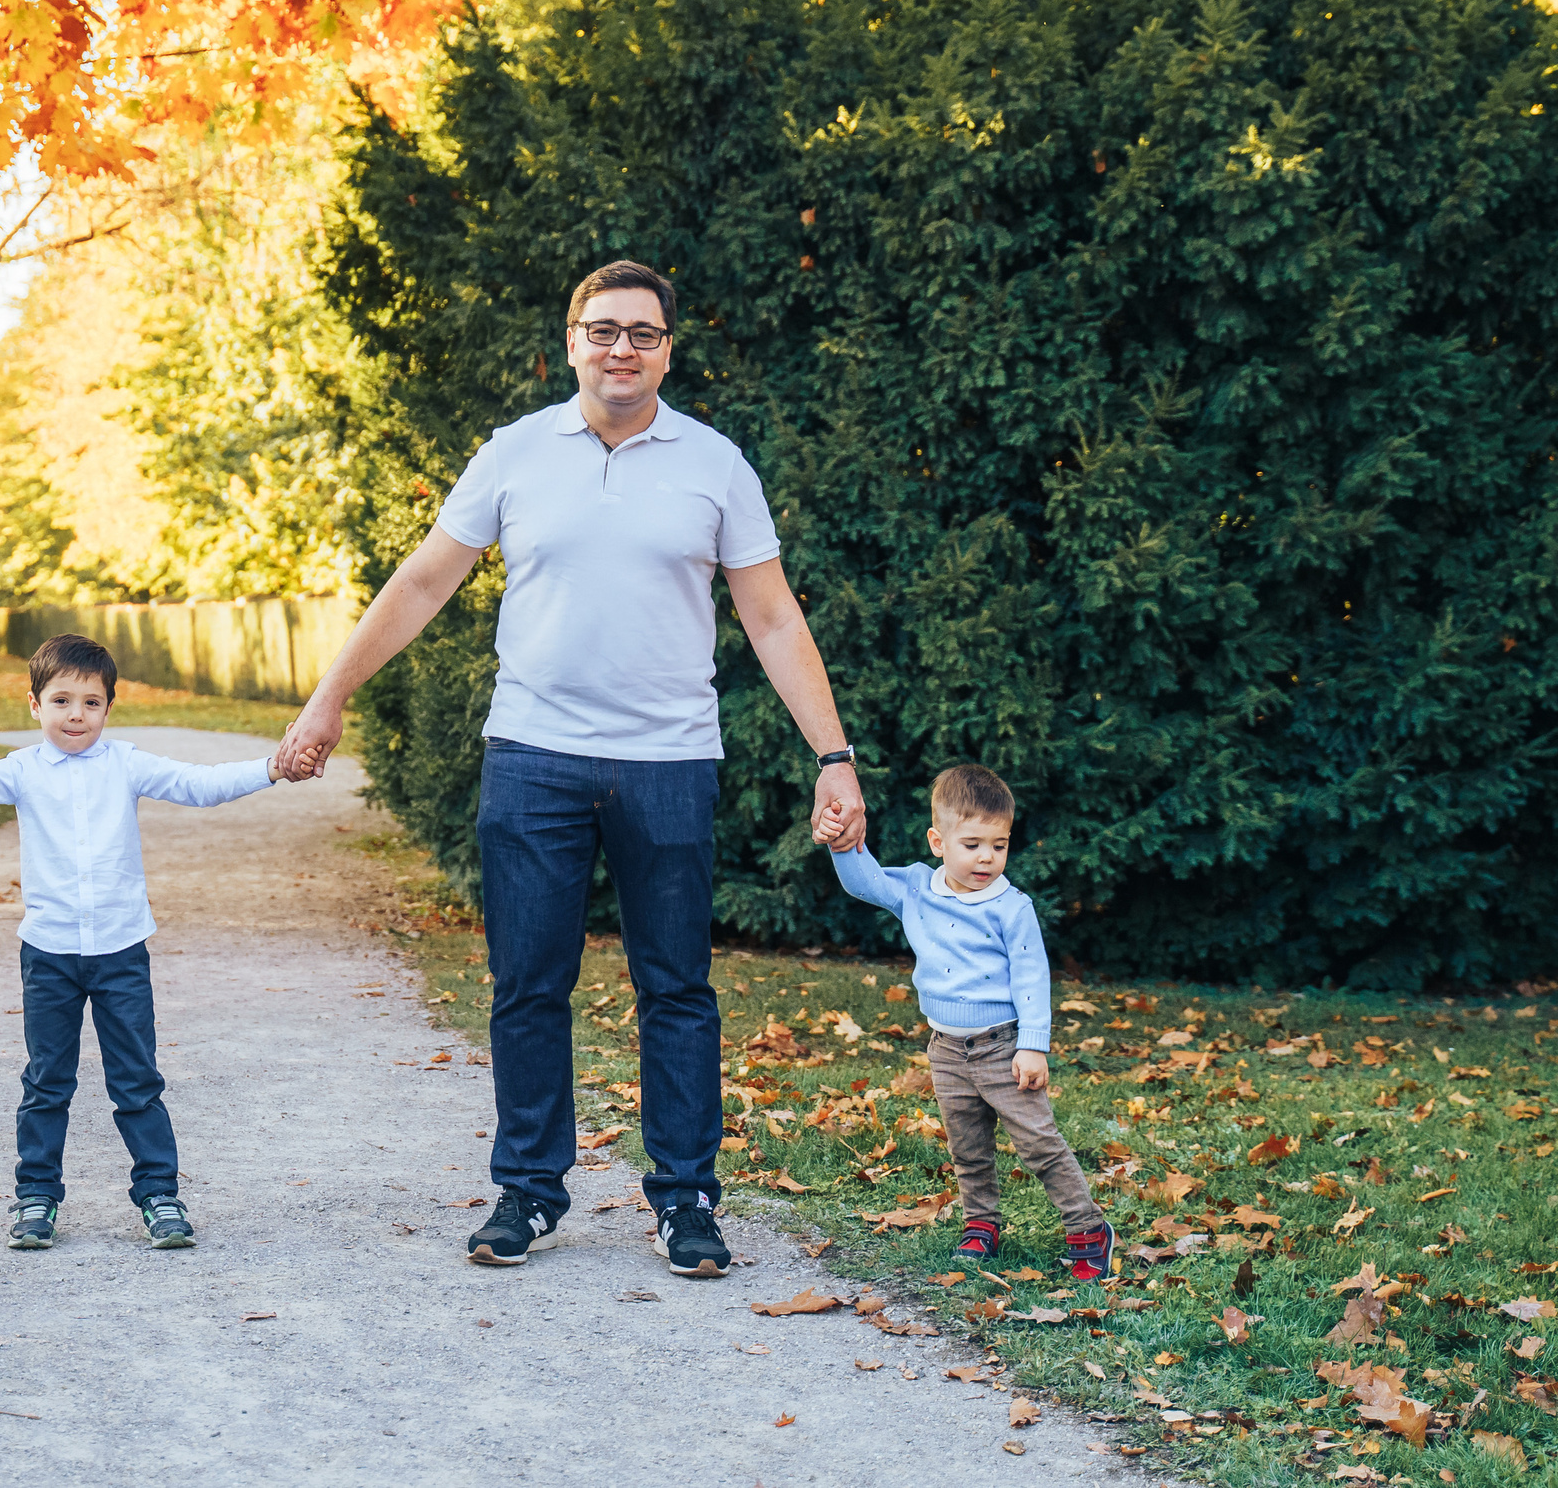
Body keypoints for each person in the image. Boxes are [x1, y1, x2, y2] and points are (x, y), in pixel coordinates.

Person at [274, 259, 867, 1279]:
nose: (620, 349)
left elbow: (770, 616)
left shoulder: (715, 464)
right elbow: (422, 583)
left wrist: (834, 755)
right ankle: (529, 1191)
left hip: (668, 763)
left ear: (667, 349)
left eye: (641, 332)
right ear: (570, 342)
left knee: (675, 986)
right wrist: (330, 696)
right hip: (533, 756)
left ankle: (684, 1199)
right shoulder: (514, 454)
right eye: (601, 330)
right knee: (526, 985)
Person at [0, 633, 297, 1251]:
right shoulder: (21, 770)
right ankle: (36, 1197)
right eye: (62, 700)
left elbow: (200, 785)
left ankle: (159, 1196)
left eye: (91, 703)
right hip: (50, 955)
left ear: (108, 709)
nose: (76, 714)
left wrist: (271, 767)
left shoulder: (127, 763)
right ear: (34, 705)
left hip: (121, 953)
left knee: (137, 1080)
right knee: (47, 1081)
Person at [815, 765, 1115, 1281]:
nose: (986, 858)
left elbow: (1030, 975)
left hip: (1003, 1047)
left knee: (1038, 1143)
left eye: (999, 846)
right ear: (938, 841)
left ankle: (1088, 1228)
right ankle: (982, 1225)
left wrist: (1033, 1045)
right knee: (968, 1148)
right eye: (973, 844)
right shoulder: (915, 888)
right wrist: (841, 841)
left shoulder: (1011, 907)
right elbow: (864, 883)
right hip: (948, 1049)